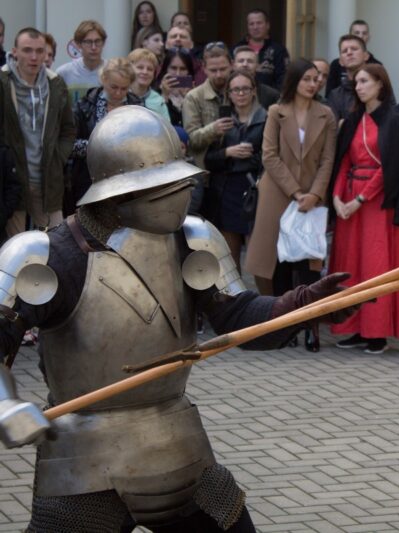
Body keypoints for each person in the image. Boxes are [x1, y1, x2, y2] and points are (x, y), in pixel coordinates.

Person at [0, 105, 355, 531]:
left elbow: (238, 316)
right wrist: (5, 405)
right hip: (83, 461)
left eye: (178, 181)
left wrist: (304, 305)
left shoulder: (193, 239)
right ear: (118, 193)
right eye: (161, 186)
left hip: (178, 444)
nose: (181, 192)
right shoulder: (48, 256)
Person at [245, 59, 337, 353]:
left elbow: (327, 160)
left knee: (309, 266)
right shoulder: (276, 111)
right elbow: (269, 155)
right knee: (280, 263)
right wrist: (296, 192)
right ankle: (285, 327)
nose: (313, 83)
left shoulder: (326, 115)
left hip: (312, 195)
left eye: (317, 79)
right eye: (307, 78)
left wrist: (314, 194)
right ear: (294, 81)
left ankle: (310, 327)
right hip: (278, 193)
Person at [329, 64, 399, 355]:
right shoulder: (352, 120)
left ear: (380, 83)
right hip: (350, 204)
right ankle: (355, 326)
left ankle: (376, 332)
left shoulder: (396, 121)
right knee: (350, 266)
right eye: (357, 82)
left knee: (375, 266)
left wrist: (360, 200)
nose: (359, 86)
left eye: (364, 81)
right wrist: (337, 197)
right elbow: (343, 162)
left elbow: (390, 168)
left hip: (377, 206)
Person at [1, 27, 75, 236]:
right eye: (27, 50)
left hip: (47, 179)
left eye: (39, 51)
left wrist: (57, 158)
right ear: (14, 52)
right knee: (14, 251)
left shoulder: (56, 84)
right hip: (13, 180)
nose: (34, 57)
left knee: (57, 243)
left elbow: (68, 129)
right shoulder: (3, 83)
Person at [203, 68, 264, 274]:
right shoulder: (223, 122)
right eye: (235, 90)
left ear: (253, 91)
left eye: (245, 89)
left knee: (258, 261)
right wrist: (228, 152)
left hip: (256, 190)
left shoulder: (266, 118)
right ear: (228, 94)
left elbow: (271, 157)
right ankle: (235, 304)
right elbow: (208, 160)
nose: (240, 94)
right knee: (230, 260)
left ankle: (268, 304)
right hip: (227, 191)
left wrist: (250, 157)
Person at [68, 57, 142, 216]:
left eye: (124, 88)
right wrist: (101, 147)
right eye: (113, 87)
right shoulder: (84, 106)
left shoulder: (138, 107)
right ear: (103, 80)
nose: (118, 93)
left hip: (126, 182)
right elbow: (70, 145)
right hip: (90, 180)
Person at [183, 43, 233, 171]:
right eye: (213, 70)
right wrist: (214, 129)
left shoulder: (240, 92)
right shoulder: (193, 97)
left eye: (223, 69)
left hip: (234, 168)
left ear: (231, 65)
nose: (218, 75)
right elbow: (191, 140)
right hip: (204, 170)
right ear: (204, 68)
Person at [232, 9, 289, 90]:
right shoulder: (236, 49)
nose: (255, 27)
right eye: (251, 24)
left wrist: (273, 97)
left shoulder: (278, 50)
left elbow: (283, 79)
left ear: (267, 25)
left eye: (259, 23)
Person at [56, 20, 107, 105]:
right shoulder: (64, 73)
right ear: (78, 44)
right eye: (88, 42)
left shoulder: (111, 71)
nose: (94, 47)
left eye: (97, 41)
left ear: (103, 43)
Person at [325, 19, 382, 96]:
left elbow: (386, 98)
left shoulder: (377, 65)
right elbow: (329, 95)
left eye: (364, 33)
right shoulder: (336, 64)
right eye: (357, 33)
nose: (361, 36)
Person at [327, 34, 370, 122]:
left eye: (354, 49)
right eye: (344, 51)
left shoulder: (379, 86)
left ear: (366, 55)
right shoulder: (335, 95)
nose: (349, 53)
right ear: (341, 61)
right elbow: (334, 130)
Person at [232, 45, 280, 110]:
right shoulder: (225, 93)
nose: (245, 64)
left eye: (250, 61)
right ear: (233, 66)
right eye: (241, 61)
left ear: (258, 66)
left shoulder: (271, 95)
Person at [157, 47, 194, 126]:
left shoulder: (195, 94)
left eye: (183, 69)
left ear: (189, 71)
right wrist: (164, 96)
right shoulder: (155, 93)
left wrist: (188, 98)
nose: (178, 73)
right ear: (166, 69)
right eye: (173, 68)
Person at [128, 48, 169, 120]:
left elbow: (166, 129)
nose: (145, 72)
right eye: (140, 67)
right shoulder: (120, 95)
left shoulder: (159, 101)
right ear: (130, 69)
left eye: (150, 69)